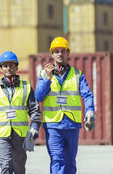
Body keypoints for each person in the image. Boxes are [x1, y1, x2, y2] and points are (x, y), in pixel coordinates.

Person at [35, 37, 96, 174]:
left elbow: (87, 95)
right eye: (56, 51)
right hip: (53, 125)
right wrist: (48, 80)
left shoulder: (77, 75)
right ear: (52, 54)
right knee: (57, 160)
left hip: (71, 124)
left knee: (70, 163)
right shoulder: (45, 74)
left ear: (68, 53)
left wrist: (90, 111)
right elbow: (38, 96)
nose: (59, 54)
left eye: (63, 51)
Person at [0, 51, 42, 174]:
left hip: (20, 135)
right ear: (1, 69)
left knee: (19, 168)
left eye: (11, 65)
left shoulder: (26, 87)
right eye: (5, 65)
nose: (8, 68)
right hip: (2, 135)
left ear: (16, 67)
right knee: (6, 166)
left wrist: (34, 127)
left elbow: (35, 110)